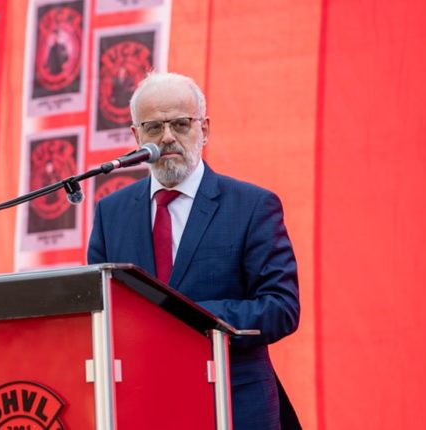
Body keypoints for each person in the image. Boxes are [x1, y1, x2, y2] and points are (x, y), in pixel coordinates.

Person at [87, 72, 301, 429]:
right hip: (143, 406)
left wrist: (189, 318)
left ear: (204, 129)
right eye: (154, 127)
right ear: (136, 137)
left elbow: (281, 308)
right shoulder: (112, 212)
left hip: (232, 404)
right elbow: (101, 311)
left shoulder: (251, 206)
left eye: (181, 124)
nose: (168, 137)